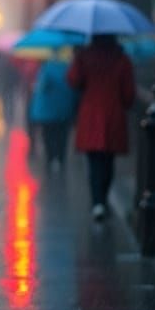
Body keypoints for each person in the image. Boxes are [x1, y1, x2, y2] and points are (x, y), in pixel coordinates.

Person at [66, 34, 135, 220]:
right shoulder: (122, 59)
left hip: (90, 113)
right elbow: (129, 94)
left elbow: (73, 80)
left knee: (93, 160)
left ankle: (97, 202)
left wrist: (78, 59)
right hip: (113, 113)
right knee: (108, 160)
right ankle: (102, 199)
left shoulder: (84, 56)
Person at [30, 51, 78, 169]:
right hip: (65, 109)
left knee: (49, 136)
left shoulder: (46, 69)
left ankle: (51, 158)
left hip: (48, 111)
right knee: (62, 136)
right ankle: (61, 159)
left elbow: (41, 88)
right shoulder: (69, 68)